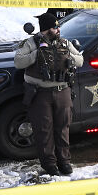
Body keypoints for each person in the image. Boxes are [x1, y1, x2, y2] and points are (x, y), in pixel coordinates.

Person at [14, 13, 83, 176]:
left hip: (63, 91)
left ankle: (64, 161)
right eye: (54, 27)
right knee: (44, 130)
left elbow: (80, 60)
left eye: (58, 27)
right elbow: (18, 62)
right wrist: (37, 54)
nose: (57, 30)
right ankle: (49, 164)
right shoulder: (31, 43)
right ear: (45, 29)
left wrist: (68, 56)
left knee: (63, 128)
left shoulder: (65, 43)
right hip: (40, 93)